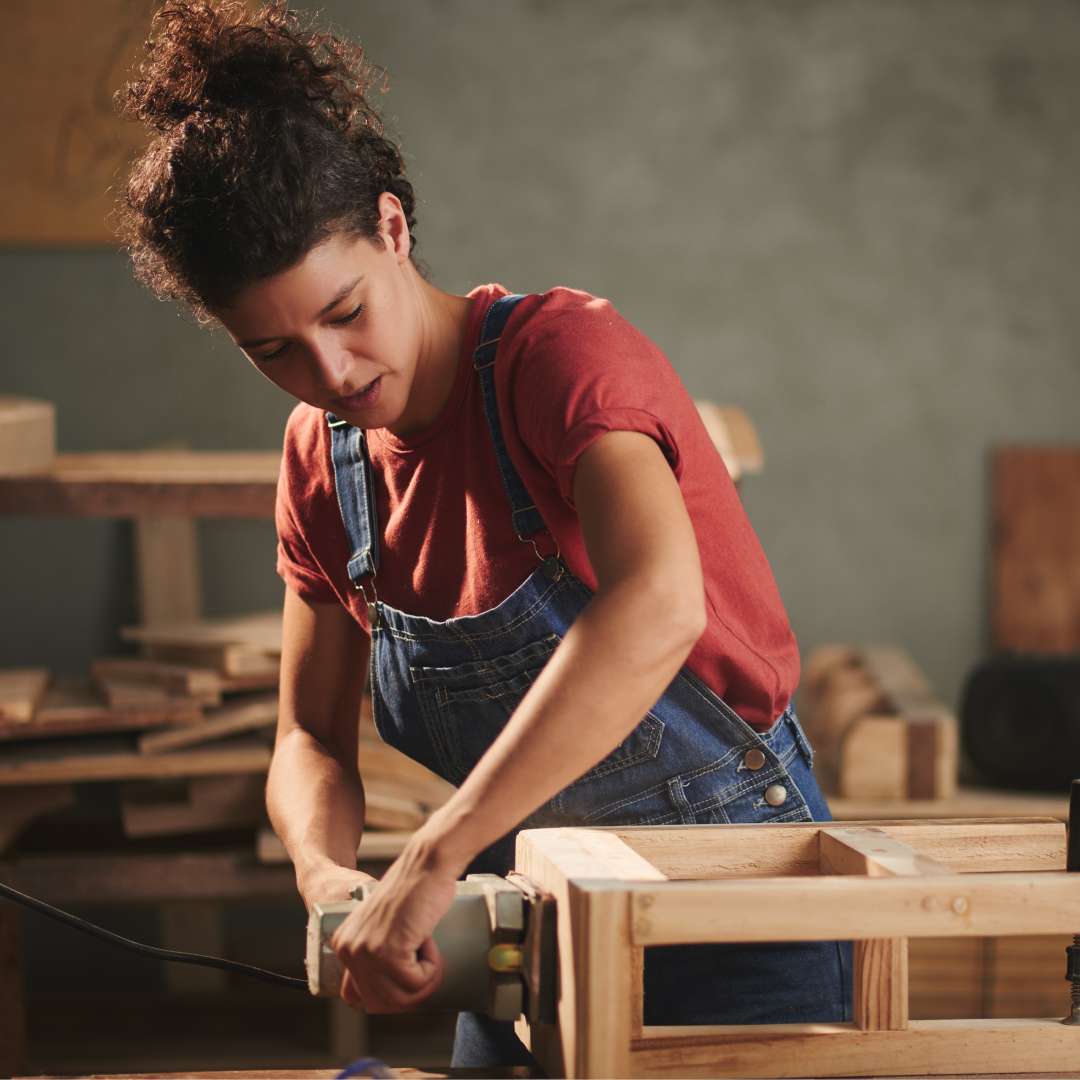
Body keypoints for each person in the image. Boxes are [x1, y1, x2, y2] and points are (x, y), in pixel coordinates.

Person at [116, 0, 852, 1069]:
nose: (331, 374)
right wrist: (329, 880)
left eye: (346, 312)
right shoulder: (323, 460)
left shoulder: (559, 360)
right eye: (272, 349)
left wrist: (431, 857)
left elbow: (658, 608)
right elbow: (309, 739)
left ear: (395, 229)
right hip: (530, 932)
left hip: (732, 908)